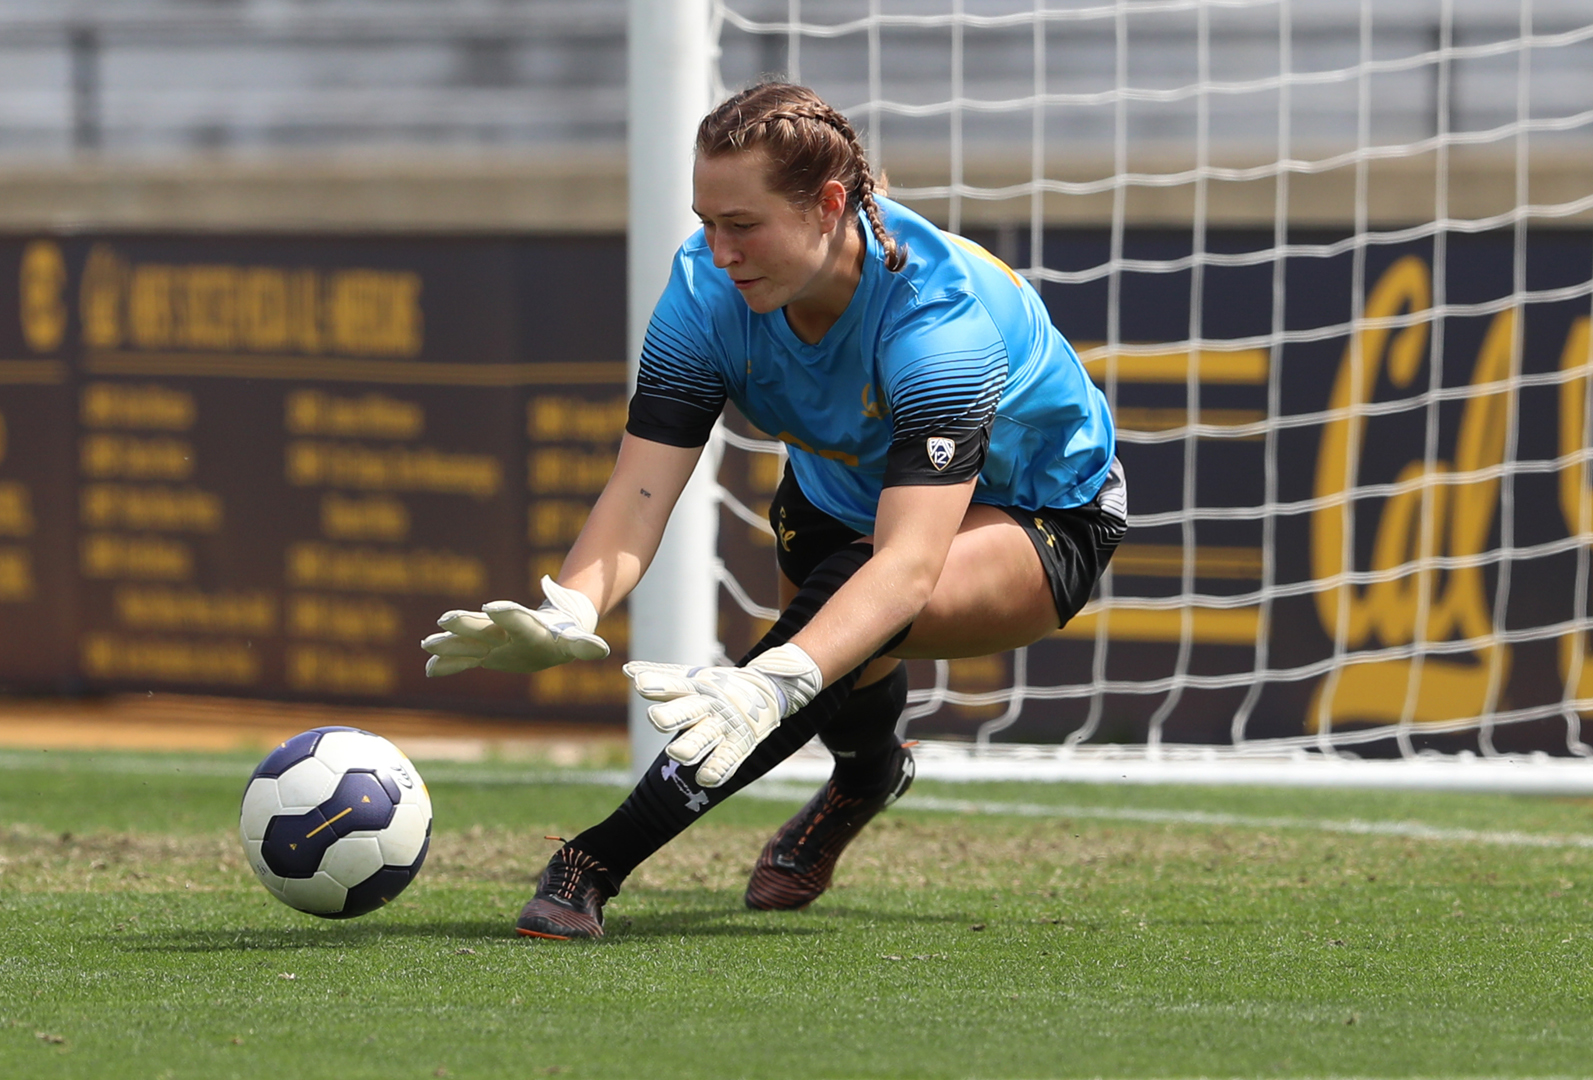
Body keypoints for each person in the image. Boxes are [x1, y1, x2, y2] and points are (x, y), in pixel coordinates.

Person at [422, 81, 1124, 939]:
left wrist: (772, 680)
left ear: (830, 205)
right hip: (837, 497)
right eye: (706, 222)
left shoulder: (939, 324)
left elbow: (904, 568)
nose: (718, 251)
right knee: (833, 644)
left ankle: (592, 863)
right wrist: (570, 607)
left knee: (821, 632)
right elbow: (642, 487)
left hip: (1042, 513)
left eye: (742, 225)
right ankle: (867, 776)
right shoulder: (702, 292)